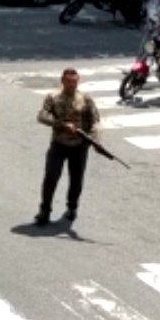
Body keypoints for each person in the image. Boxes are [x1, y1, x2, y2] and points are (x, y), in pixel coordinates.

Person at [34, 68, 101, 226]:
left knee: (76, 179)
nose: (72, 84)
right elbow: (42, 116)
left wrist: (95, 140)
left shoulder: (85, 99)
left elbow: (95, 121)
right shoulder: (53, 97)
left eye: (75, 81)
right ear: (62, 81)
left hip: (79, 146)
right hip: (58, 144)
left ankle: (72, 207)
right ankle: (44, 210)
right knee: (51, 177)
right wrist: (62, 125)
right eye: (69, 81)